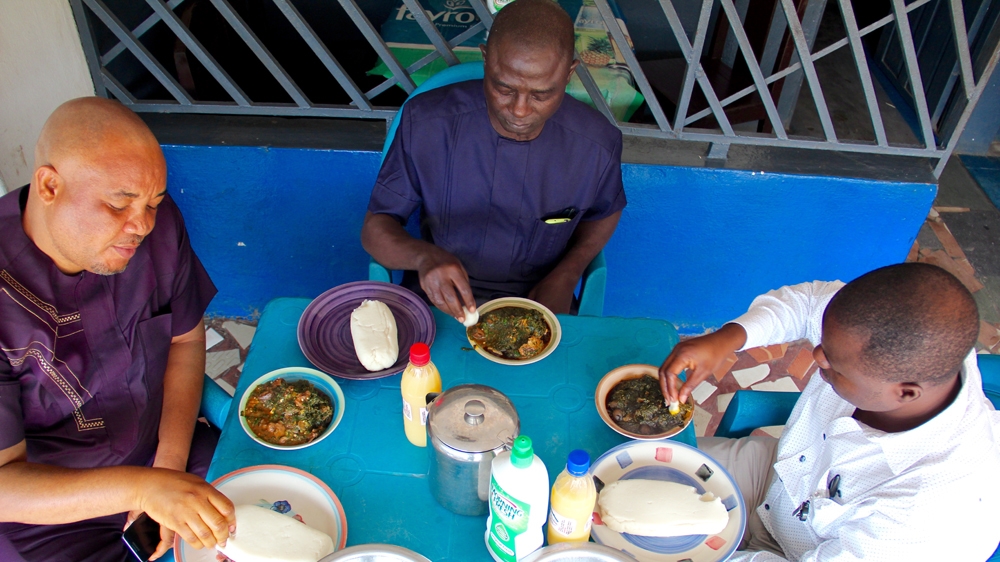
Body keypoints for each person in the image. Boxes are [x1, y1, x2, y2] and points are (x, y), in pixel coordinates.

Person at [0, 98, 235, 562]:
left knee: (283, 518)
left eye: (153, 203)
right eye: (119, 204)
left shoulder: (158, 229)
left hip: (169, 453)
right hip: (50, 517)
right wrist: (145, 489)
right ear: (50, 185)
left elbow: (185, 341)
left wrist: (166, 472)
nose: (142, 225)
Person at [659, 263, 1000, 561]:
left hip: (800, 553)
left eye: (835, 365)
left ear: (906, 392)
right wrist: (726, 339)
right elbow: (809, 303)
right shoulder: (915, 339)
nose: (818, 357)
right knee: (633, 466)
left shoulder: (924, 513)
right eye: (822, 343)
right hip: (781, 472)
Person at [361, 0, 625, 320]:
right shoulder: (427, 123)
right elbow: (376, 228)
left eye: (541, 94)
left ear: (569, 73)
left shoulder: (596, 143)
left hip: (541, 296)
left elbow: (605, 212)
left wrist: (568, 273)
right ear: (486, 59)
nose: (520, 111)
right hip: (440, 294)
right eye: (504, 88)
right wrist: (423, 258)